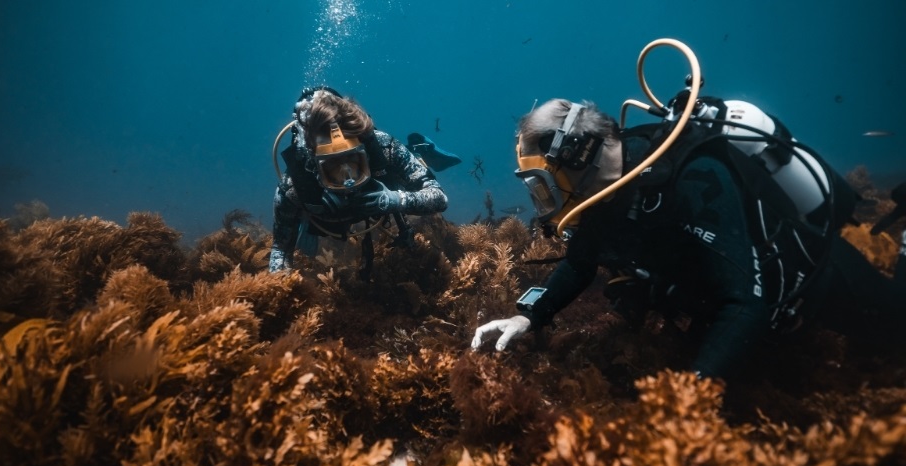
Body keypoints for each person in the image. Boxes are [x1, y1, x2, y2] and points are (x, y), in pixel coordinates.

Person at [471, 96, 906, 379]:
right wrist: (527, 316)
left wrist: (689, 399)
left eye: (542, 185)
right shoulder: (602, 198)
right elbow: (581, 262)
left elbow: (747, 303)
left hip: (813, 280)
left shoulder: (693, 176)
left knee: (895, 332)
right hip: (721, 310)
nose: (540, 202)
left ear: (579, 154)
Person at [269, 87, 449, 276]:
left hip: (388, 183)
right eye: (333, 168)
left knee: (402, 172)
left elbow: (439, 197)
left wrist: (396, 200)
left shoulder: (384, 148)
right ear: (314, 166)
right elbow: (280, 248)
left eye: (354, 163)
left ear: (365, 155)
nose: (348, 180)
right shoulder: (295, 186)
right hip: (319, 209)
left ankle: (421, 151)